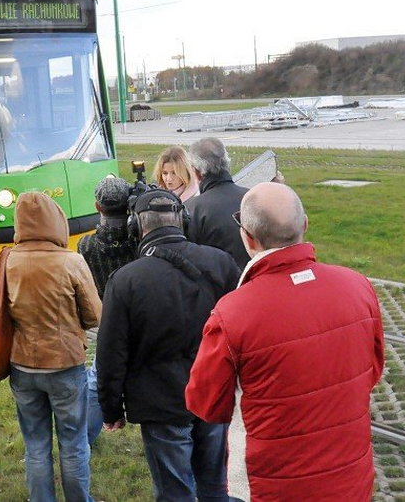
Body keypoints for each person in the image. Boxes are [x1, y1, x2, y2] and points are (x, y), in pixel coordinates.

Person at [185, 182, 385, 501]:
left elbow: (206, 404)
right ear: (304, 225)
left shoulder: (232, 313)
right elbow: (372, 371)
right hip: (351, 479)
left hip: (275, 487)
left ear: (247, 238)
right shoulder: (358, 287)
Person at [96, 189, 241, 502]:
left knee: (174, 493)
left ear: (136, 227)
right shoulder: (222, 263)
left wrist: (110, 409)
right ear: (182, 221)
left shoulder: (125, 280)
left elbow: (110, 353)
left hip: (161, 405)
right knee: (215, 487)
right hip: (214, 395)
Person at [6, 192, 101, 502]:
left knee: (35, 445)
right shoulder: (70, 260)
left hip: (21, 365)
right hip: (64, 365)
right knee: (73, 444)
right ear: (56, 221)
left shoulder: (6, 260)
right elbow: (94, 315)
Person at [76, 176, 138, 445]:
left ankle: (86, 438)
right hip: (140, 317)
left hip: (108, 319)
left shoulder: (86, 245)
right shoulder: (140, 241)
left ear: (97, 207)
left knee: (97, 380)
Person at [186, 138, 250, 269]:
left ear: (197, 172)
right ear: (227, 164)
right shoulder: (254, 197)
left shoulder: (191, 209)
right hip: (258, 279)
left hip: (219, 286)